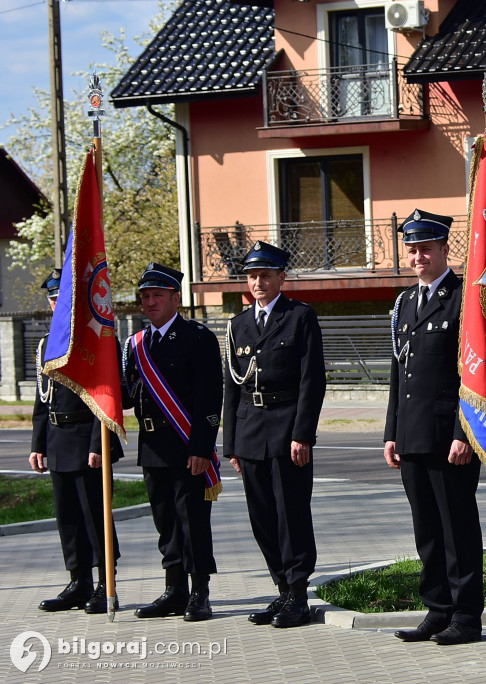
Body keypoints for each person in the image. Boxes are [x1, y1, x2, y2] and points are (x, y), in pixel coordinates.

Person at [384, 209, 484, 645]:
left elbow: (473, 374)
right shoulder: (404, 303)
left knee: (457, 529)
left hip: (449, 438)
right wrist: (392, 432)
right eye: (412, 248)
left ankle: (466, 615)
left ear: (446, 249)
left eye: (426, 247)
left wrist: (465, 434)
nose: (418, 255)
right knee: (426, 529)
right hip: (412, 434)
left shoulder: (464, 299)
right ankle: (437, 609)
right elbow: (398, 373)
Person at [223, 241, 326, 629]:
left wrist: (303, 434)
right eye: (252, 276)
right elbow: (231, 388)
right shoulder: (237, 325)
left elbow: (311, 381)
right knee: (262, 516)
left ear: (282, 277)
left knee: (291, 514)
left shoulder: (299, 317)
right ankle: (281, 589)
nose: (258, 281)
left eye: (265, 274)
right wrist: (230, 444)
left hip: (287, 431)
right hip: (251, 432)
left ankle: (298, 594)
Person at [123, 263, 222, 622]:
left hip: (186, 447)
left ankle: (200, 592)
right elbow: (124, 397)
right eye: (145, 296)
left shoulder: (198, 338)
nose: (150, 302)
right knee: (165, 522)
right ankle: (174, 589)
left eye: (157, 296)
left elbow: (210, 400)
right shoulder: (136, 344)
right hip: (151, 445)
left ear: (175, 299)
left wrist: (201, 448)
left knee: (192, 521)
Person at [31, 268, 122, 614]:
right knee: (67, 517)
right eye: (53, 299)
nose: (57, 304)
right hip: (57, 439)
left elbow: (107, 394)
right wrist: (37, 444)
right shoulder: (46, 344)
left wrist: (100, 445)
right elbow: (43, 399)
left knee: (95, 516)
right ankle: (78, 580)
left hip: (88, 439)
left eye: (63, 299)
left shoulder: (97, 338)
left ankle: (104, 583)